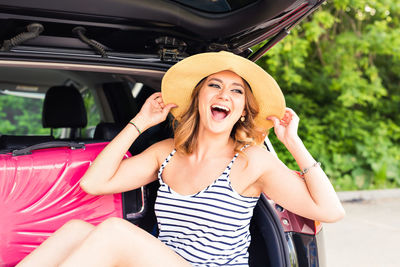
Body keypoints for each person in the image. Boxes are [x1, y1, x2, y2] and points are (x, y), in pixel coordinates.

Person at [17, 51, 345, 267]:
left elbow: (330, 211)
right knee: (75, 229)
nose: (223, 95)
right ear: (199, 98)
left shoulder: (252, 161)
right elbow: (94, 182)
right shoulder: (167, 152)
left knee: (115, 231)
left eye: (236, 91)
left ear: (243, 109)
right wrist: (139, 123)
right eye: (214, 86)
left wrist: (293, 143)